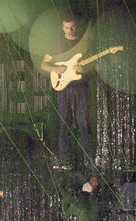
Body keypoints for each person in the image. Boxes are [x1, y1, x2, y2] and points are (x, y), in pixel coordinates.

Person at [41, 14, 92, 169]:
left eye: (72, 27)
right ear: (62, 27)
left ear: (76, 26)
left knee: (83, 123)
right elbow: (44, 64)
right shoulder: (57, 43)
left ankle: (88, 162)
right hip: (63, 87)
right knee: (64, 123)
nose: (70, 30)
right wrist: (55, 68)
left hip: (81, 86)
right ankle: (64, 161)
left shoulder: (83, 43)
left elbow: (91, 65)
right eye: (67, 27)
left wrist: (85, 68)